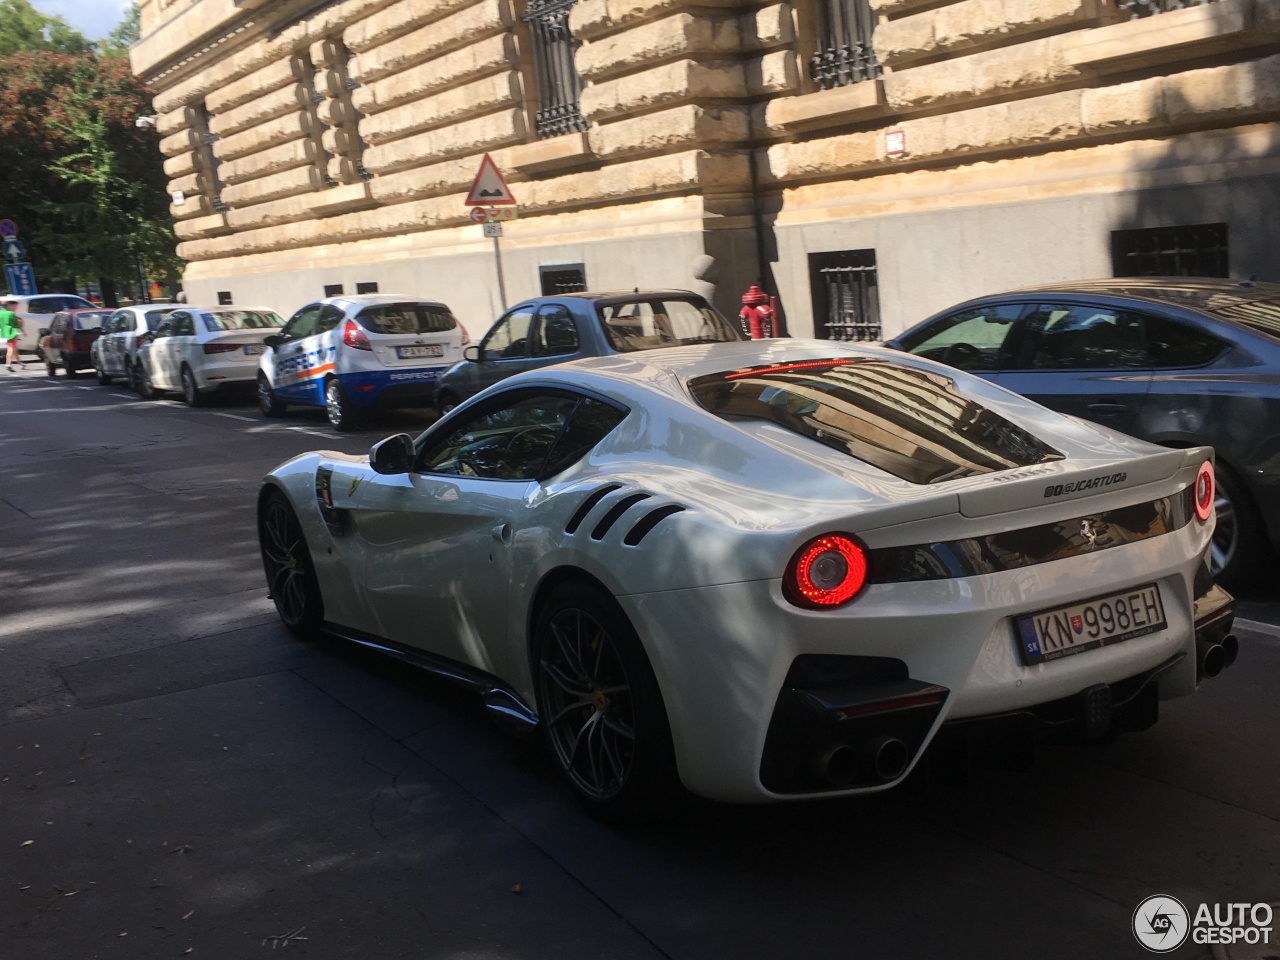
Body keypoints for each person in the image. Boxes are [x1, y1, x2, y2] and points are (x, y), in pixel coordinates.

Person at [1, 299, 24, 372]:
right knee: (10, 348)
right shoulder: (11, 313)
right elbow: (17, 324)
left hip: (4, 332)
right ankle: (8, 364)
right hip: (12, 332)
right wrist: (23, 331)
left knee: (14, 348)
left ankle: (20, 364)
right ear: (7, 305)